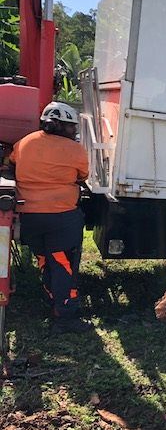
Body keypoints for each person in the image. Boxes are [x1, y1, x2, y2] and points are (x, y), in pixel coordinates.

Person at [9, 102, 92, 334]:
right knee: (64, 265)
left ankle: (53, 298)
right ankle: (65, 317)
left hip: (29, 219)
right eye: (71, 127)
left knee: (45, 259)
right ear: (61, 126)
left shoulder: (25, 142)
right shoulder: (75, 150)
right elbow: (82, 174)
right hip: (62, 219)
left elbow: (13, 162)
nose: (74, 132)